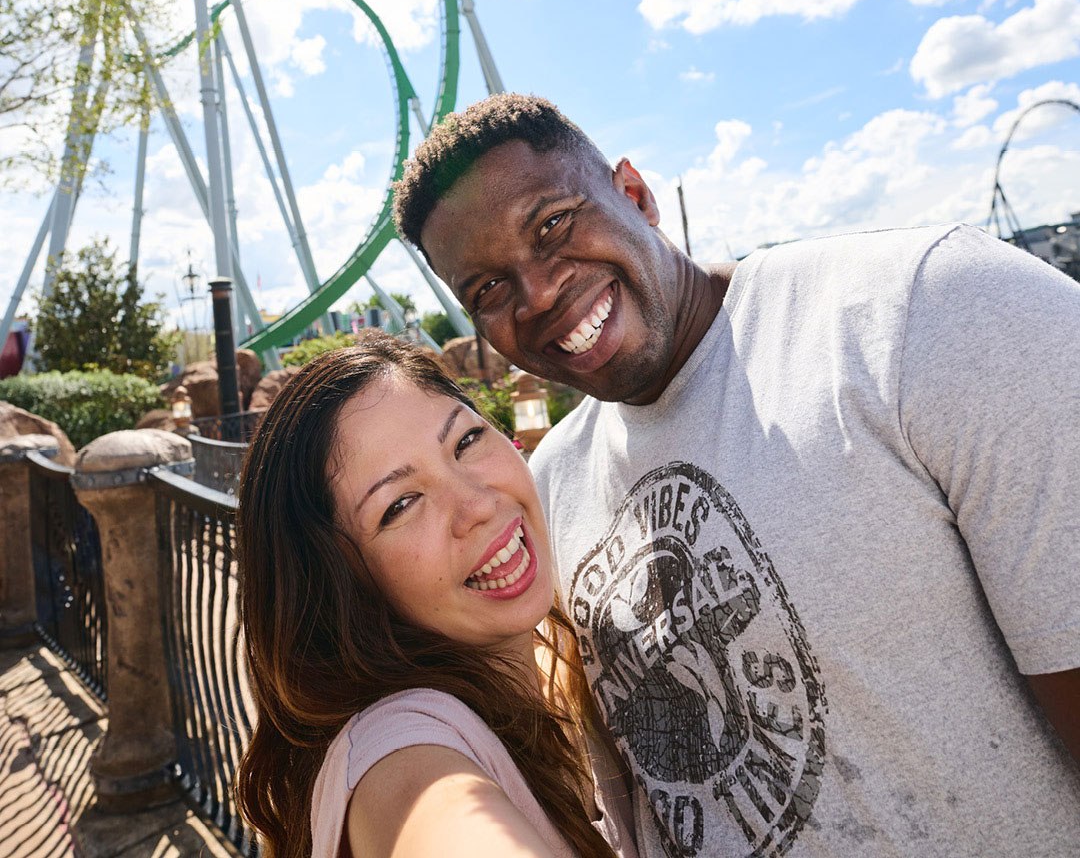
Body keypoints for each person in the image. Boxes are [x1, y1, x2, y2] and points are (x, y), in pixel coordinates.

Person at [393, 92, 1080, 857]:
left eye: (553, 225)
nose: (541, 291)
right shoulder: (549, 485)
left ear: (635, 194)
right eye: (488, 289)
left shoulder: (927, 312)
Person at [234, 334, 638, 858]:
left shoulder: (565, 667)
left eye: (465, 442)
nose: (477, 504)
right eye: (401, 504)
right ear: (342, 585)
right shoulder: (400, 753)